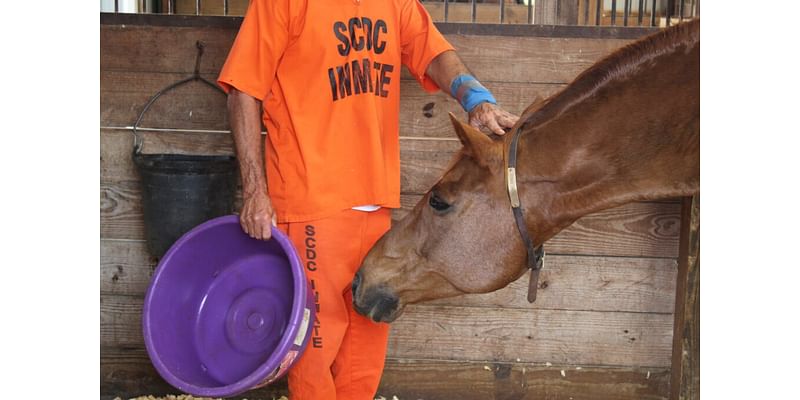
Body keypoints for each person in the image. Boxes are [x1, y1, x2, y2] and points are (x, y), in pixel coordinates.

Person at [217, 0, 519, 398]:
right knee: (312, 348)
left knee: (367, 343)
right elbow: (243, 90)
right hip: (312, 199)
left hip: (376, 203)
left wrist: (476, 99)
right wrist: (255, 190)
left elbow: (434, 53)